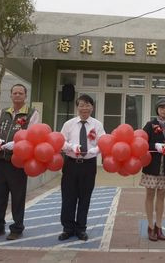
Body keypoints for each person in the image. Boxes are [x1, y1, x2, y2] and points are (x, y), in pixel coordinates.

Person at [0, 84, 39, 240]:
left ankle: (17, 228)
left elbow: (32, 134)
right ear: (11, 95)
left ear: (25, 96)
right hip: (1, 160)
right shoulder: (3, 112)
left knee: (18, 196)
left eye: (21, 93)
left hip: (18, 161)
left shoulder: (32, 113)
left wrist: (16, 144)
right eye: (15, 93)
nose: (17, 95)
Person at [58, 94, 105, 241]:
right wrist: (71, 147)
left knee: (85, 198)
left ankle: (81, 229)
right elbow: (60, 141)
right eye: (81, 105)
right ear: (77, 107)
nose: (84, 108)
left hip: (89, 165)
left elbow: (103, 142)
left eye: (87, 105)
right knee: (68, 198)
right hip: (71, 164)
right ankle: (68, 228)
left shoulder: (97, 125)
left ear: (92, 107)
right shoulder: (69, 124)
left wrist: (95, 150)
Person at [140, 98, 165, 241]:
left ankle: (159, 226)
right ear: (157, 110)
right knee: (150, 194)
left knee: (162, 195)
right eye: (161, 108)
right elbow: (142, 142)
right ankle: (150, 226)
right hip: (152, 165)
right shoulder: (150, 125)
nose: (164, 110)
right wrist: (154, 145)